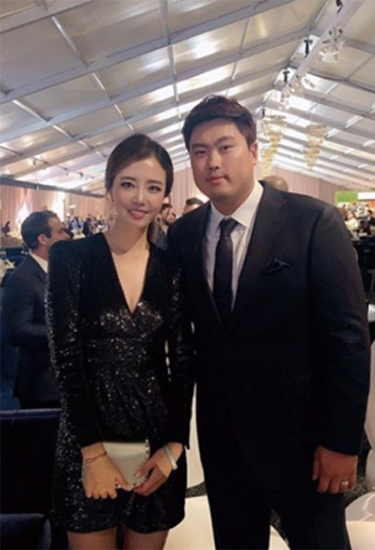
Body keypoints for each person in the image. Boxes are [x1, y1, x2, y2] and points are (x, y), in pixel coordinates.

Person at [168, 95, 370, 550]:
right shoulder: (184, 234)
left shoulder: (311, 221)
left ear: (254, 150)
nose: (212, 162)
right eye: (199, 151)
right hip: (223, 439)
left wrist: (342, 442)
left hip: (304, 441)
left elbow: (348, 341)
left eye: (225, 147)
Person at [46, 134, 193, 550]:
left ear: (164, 195)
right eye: (128, 184)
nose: (140, 198)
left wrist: (174, 447)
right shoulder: (71, 258)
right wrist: (92, 454)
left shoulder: (171, 267)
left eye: (153, 187)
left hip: (156, 439)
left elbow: (184, 358)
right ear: (109, 188)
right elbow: (65, 358)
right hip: (87, 436)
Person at [3, 210, 69, 408]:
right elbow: (17, 331)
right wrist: (65, 332)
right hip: (42, 384)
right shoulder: (23, 278)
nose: (67, 236)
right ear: (42, 239)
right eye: (60, 232)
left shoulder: (58, 269)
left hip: (64, 380)